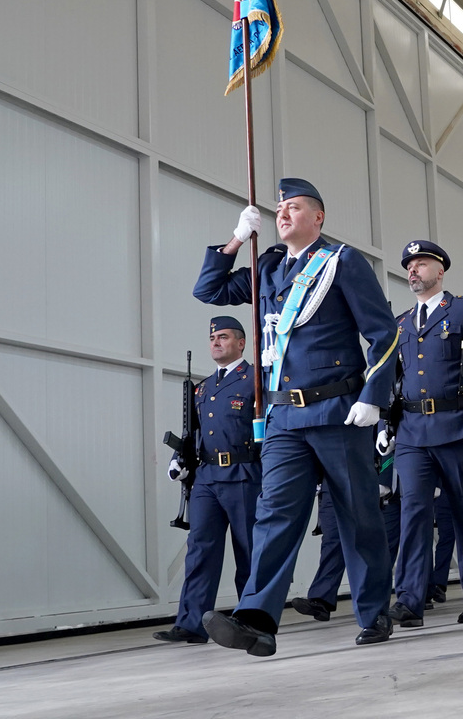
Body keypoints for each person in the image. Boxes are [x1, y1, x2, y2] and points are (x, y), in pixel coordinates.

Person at [194, 178, 399, 655]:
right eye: (280, 208)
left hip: (337, 412)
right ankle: (258, 619)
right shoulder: (265, 267)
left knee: (357, 516)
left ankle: (373, 612)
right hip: (284, 418)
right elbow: (209, 289)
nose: (283, 214)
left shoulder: (342, 263)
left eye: (295, 207)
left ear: (318, 217)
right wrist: (236, 239)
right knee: (275, 516)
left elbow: (383, 332)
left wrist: (375, 395)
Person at [380, 240, 463, 627]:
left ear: (440, 269)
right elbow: (395, 381)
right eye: (409, 265)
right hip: (412, 432)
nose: (413, 270)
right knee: (414, 513)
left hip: (456, 428)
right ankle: (410, 600)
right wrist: (387, 424)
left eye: (421, 263)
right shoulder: (400, 323)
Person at [154, 317, 260, 644]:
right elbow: (192, 435)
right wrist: (179, 460)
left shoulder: (256, 378)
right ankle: (191, 623)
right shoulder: (204, 387)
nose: (216, 342)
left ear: (241, 343)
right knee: (200, 550)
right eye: (213, 337)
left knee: (249, 550)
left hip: (244, 473)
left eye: (224, 337)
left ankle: (252, 620)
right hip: (207, 477)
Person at [293, 474, 401, 622]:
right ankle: (321, 599)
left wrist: (384, 481)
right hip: (330, 481)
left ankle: (376, 608)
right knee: (332, 540)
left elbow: (383, 451)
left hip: (364, 477)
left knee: (373, 546)